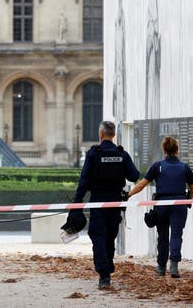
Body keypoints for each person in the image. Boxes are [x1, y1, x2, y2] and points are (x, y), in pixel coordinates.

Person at [72, 121, 140, 290]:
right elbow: (134, 175)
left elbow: (84, 180)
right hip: (115, 202)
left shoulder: (94, 154)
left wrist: (77, 201)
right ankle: (107, 265)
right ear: (113, 135)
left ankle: (104, 274)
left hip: (98, 203)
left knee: (98, 236)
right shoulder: (121, 154)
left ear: (100, 134)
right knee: (110, 237)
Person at [128, 136, 193, 278]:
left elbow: (142, 184)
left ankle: (161, 267)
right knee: (177, 235)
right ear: (177, 150)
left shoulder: (158, 166)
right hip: (179, 205)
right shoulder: (184, 167)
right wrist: (187, 199)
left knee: (163, 236)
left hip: (162, 205)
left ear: (164, 150)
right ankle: (174, 267)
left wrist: (128, 195)